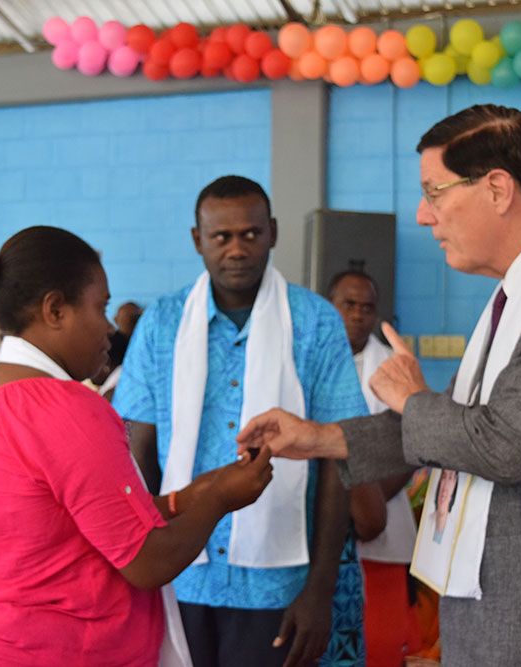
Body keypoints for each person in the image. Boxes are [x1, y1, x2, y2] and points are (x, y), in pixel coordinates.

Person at [237, 104, 521, 665]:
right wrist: (319, 438)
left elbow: (508, 443)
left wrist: (411, 397)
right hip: (508, 606)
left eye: (435, 192)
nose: (424, 216)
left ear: (497, 189)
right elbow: (456, 424)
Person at [0, 225, 273, 666]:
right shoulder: (68, 407)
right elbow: (148, 562)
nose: (108, 328)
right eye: (100, 307)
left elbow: (82, 525)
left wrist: (192, 494)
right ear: (55, 310)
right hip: (64, 650)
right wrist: (220, 498)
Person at [114, 176, 367, 667]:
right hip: (181, 575)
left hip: (279, 586)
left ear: (272, 231)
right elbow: (136, 454)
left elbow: (340, 459)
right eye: (221, 236)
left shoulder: (315, 321)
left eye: (250, 234)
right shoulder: (162, 323)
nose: (237, 249)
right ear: (197, 240)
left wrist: (319, 592)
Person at [327, 269, 419, 667]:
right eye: (349, 305)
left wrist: (367, 504)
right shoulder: (310, 358)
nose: (358, 315)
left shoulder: (394, 366)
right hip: (324, 532)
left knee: (380, 644)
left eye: (367, 307)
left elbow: (412, 448)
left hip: (381, 526)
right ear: (331, 306)